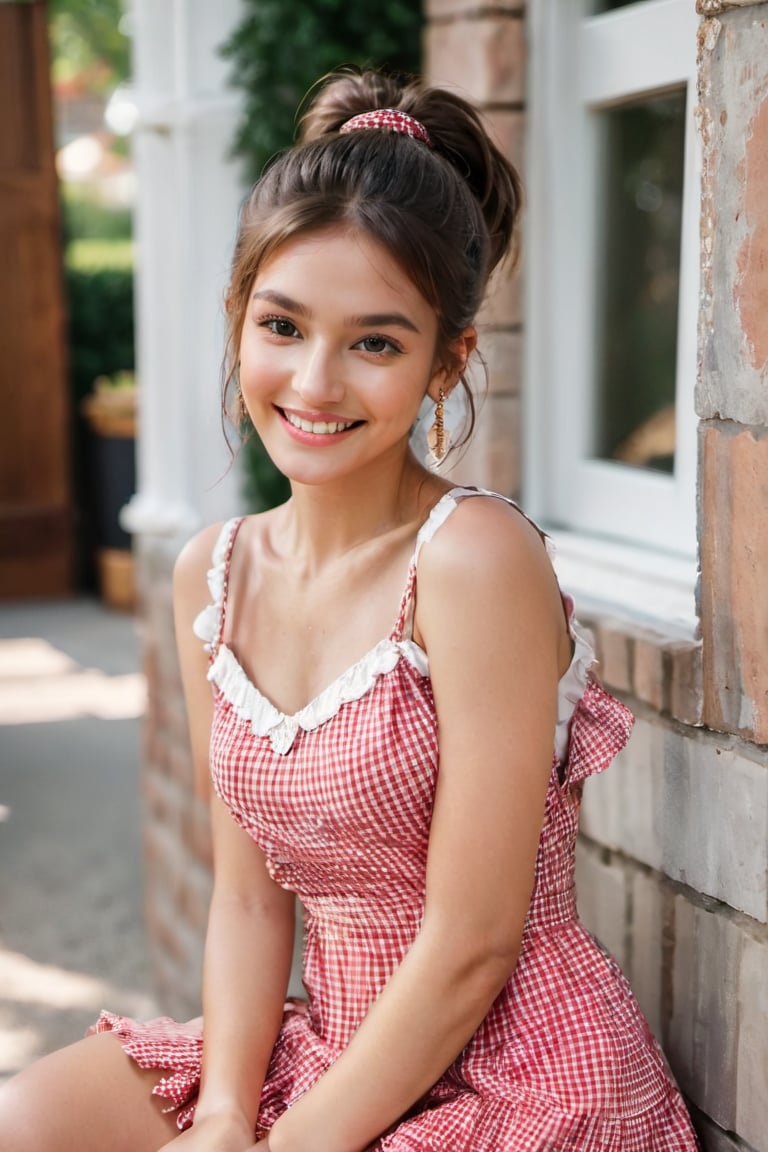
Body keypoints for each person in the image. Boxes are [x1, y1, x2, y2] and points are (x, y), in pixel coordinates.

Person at [0, 69, 699, 1152]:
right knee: (26, 1119)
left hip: (515, 1070)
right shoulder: (213, 574)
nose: (315, 383)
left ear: (444, 363)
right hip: (328, 1037)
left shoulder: (472, 561)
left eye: (374, 342)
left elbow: (475, 941)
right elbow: (245, 900)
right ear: (240, 319)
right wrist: (229, 1115)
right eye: (282, 325)